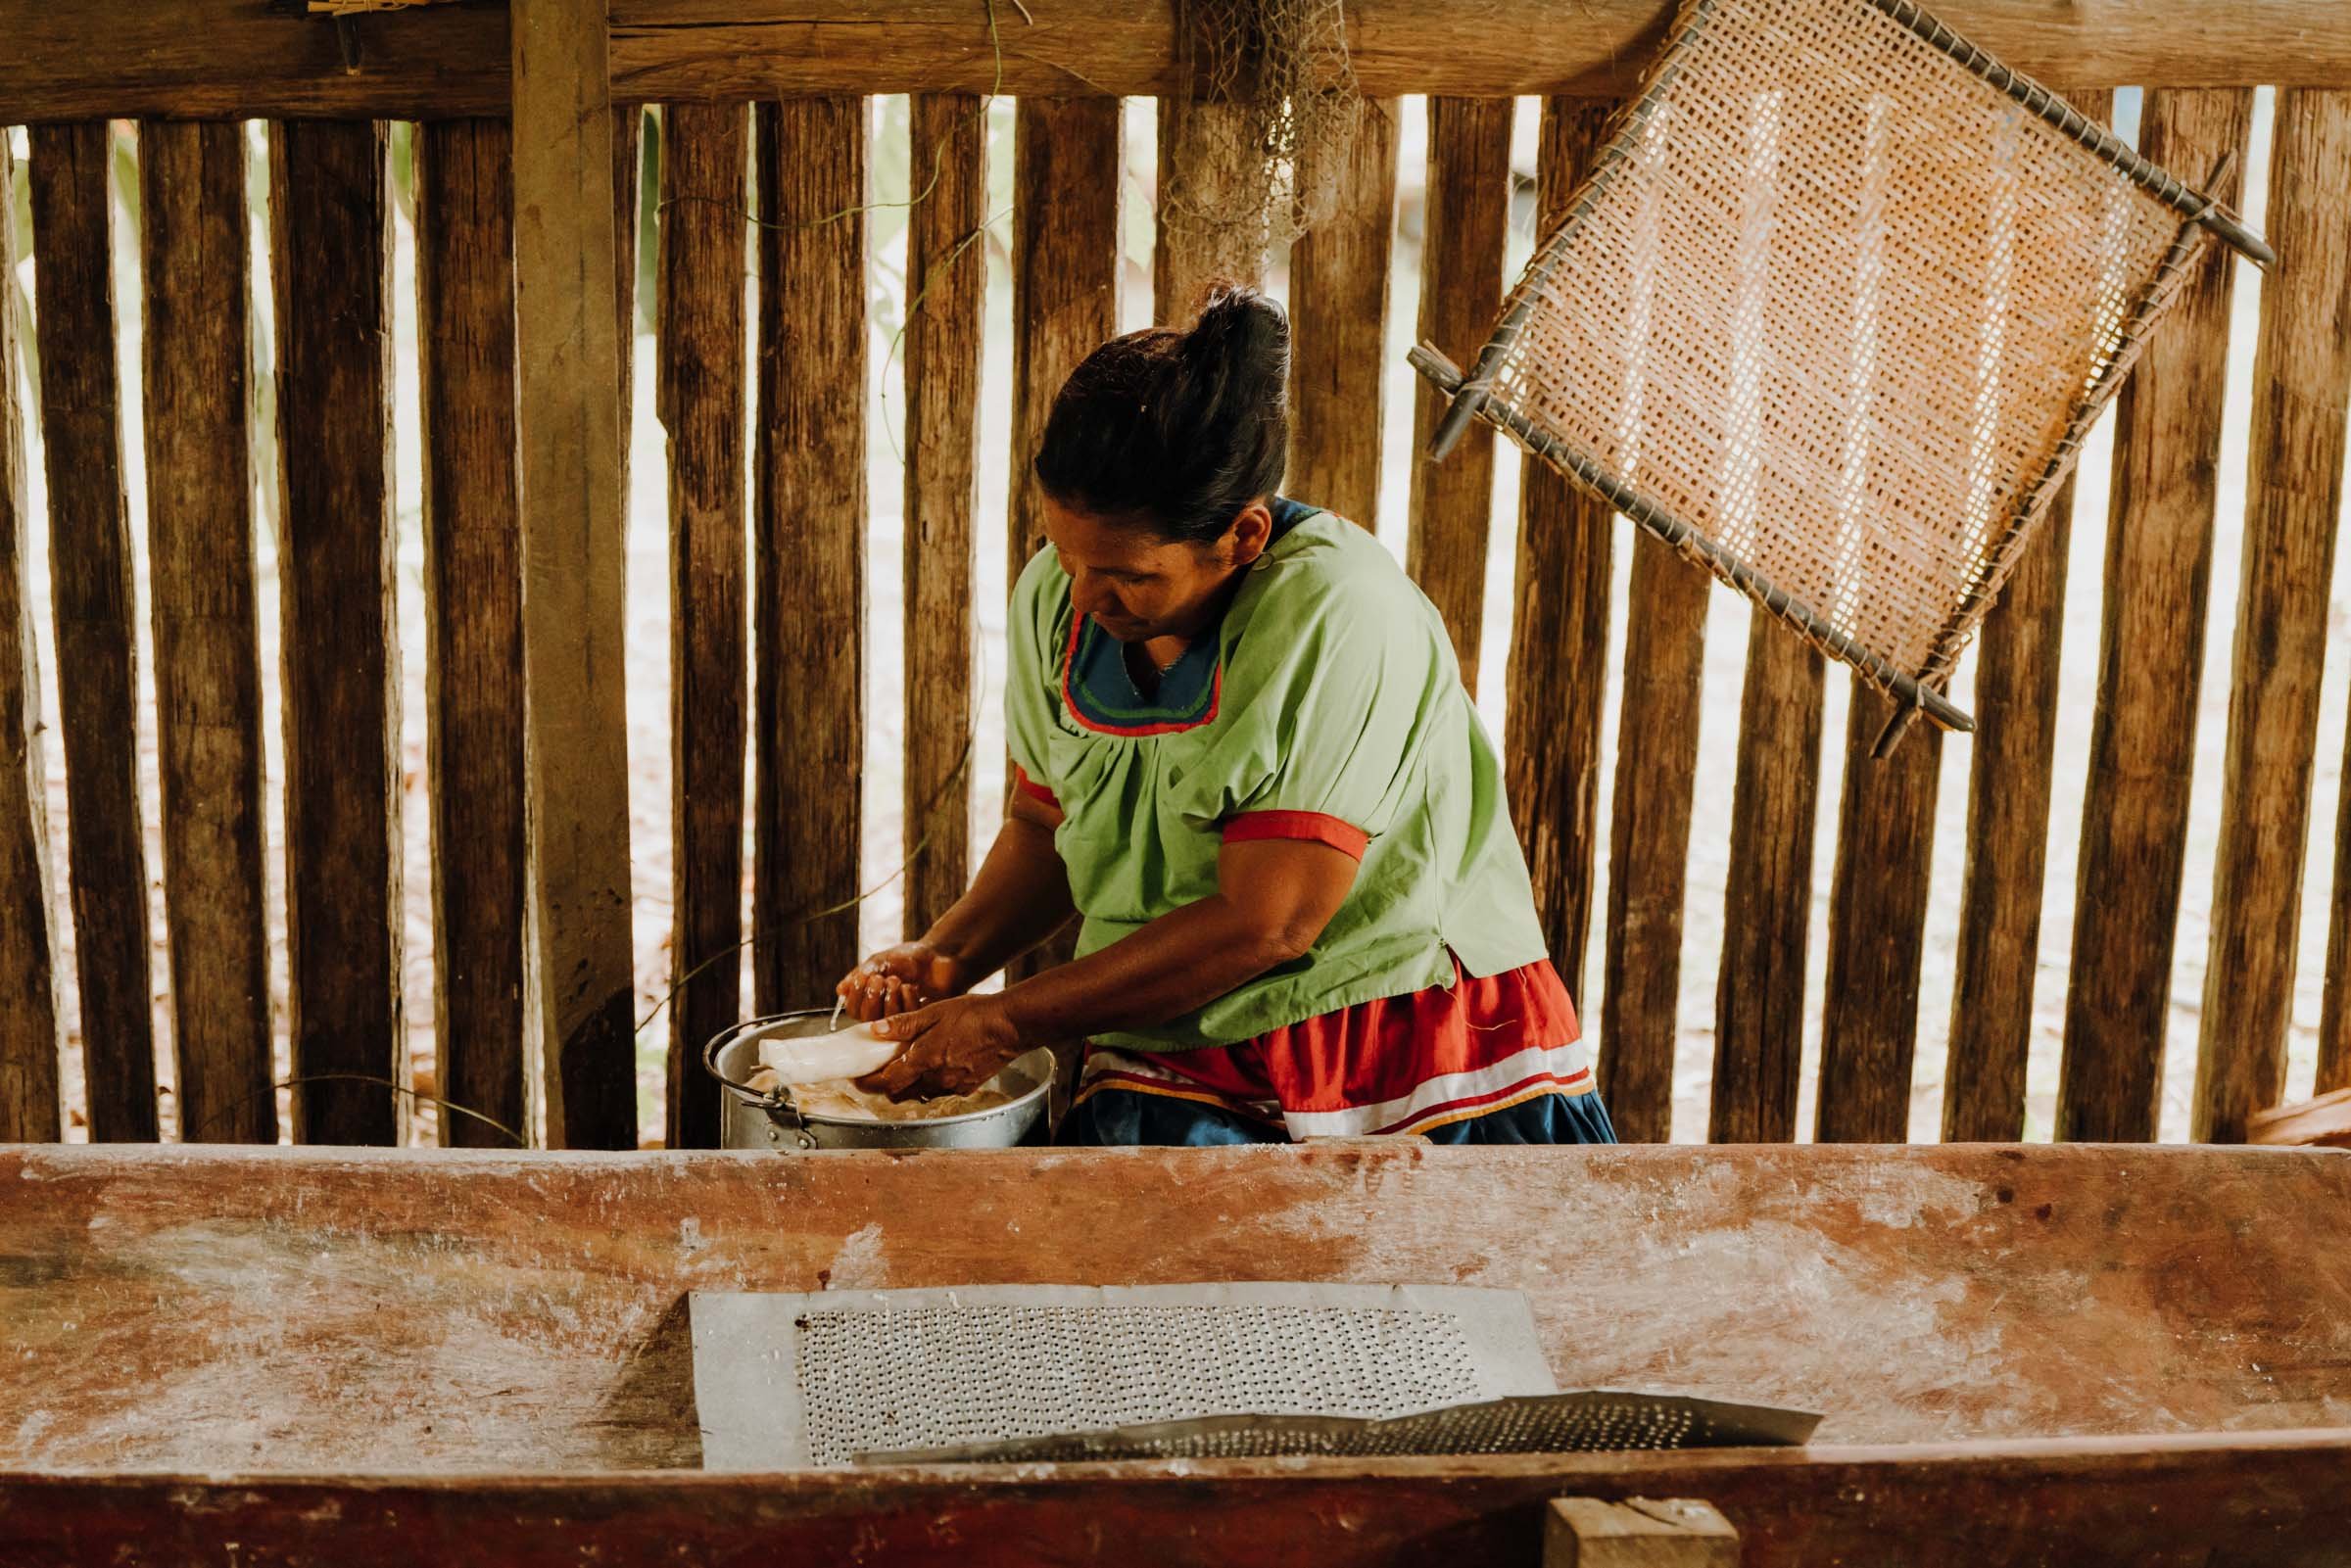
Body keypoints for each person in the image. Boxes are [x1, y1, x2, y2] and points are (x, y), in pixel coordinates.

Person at [837, 284, 1615, 1147]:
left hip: (1396, 1037)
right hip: (1169, 1024)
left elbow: (1270, 921)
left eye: (1126, 573)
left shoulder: (1336, 609)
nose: (1086, 596)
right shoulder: (1057, 603)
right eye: (1066, 555)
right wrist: (946, 957)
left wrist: (1010, 1020)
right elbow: (1044, 817)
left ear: (1242, 537)